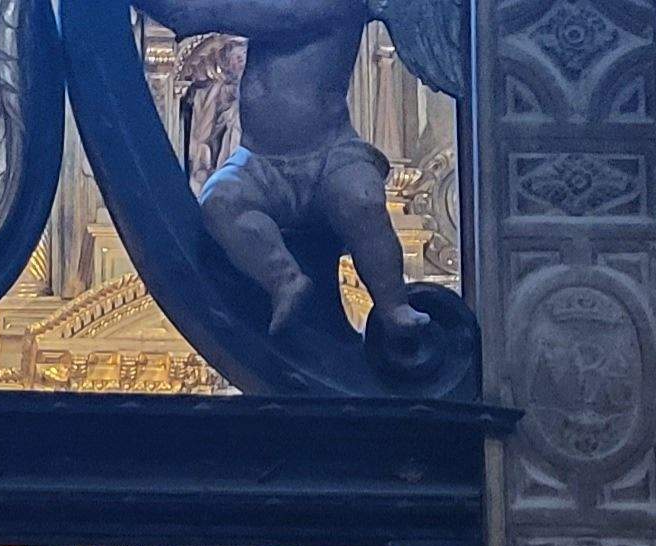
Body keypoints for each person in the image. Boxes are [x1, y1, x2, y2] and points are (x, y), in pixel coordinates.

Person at [127, 0, 429, 341]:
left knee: (363, 200)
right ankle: (284, 279)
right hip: (260, 161)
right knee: (219, 201)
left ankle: (393, 305)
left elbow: (214, 14)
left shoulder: (330, 5)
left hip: (330, 155)